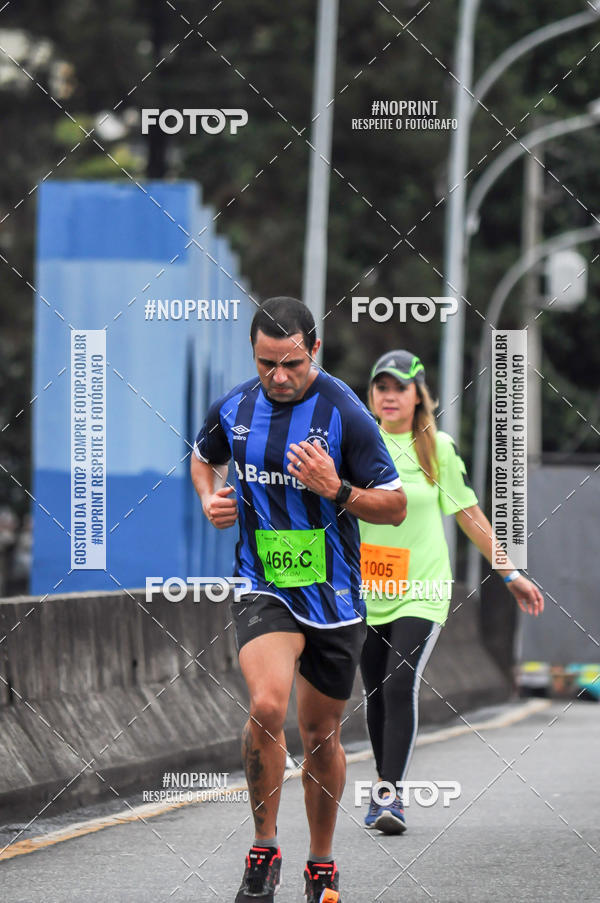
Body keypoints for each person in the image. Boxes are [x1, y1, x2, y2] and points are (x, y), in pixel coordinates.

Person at [190, 298, 407, 902]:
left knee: (320, 734)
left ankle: (321, 862)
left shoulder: (345, 413)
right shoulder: (234, 408)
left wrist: (337, 489)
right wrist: (210, 499)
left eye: (291, 363)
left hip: (334, 596)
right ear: (253, 354)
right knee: (266, 704)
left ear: (315, 349)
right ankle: (263, 849)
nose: (279, 376)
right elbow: (203, 459)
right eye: (267, 364)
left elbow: (394, 506)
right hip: (263, 583)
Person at [358, 349, 544, 834]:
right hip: (367, 588)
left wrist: (510, 574)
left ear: (418, 395)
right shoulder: (358, 442)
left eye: (400, 387)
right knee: (374, 691)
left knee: (398, 683)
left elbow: (469, 515)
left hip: (422, 586)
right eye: (381, 387)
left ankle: (390, 797)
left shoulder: (436, 448)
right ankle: (382, 783)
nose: (389, 396)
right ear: (372, 395)